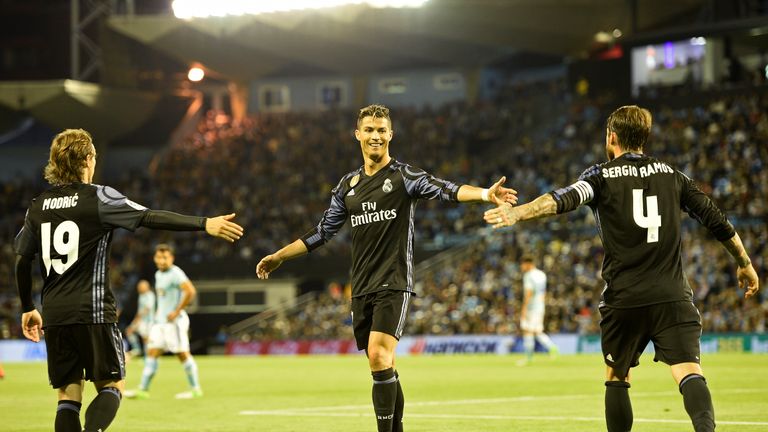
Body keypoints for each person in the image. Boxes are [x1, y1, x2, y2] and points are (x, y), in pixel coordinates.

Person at [484, 105, 759, 432]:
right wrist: (745, 263)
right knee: (688, 371)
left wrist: (518, 213)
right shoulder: (674, 177)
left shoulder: (600, 176)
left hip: (624, 298)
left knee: (617, 376)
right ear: (644, 137)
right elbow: (717, 220)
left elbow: (562, 199)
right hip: (672, 296)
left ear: (611, 136)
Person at [256, 104, 517, 432]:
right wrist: (280, 256)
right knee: (382, 364)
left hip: (394, 281)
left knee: (379, 357)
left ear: (390, 135)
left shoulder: (404, 177)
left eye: (381, 130)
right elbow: (322, 232)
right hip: (361, 287)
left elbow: (445, 189)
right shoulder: (347, 186)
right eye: (369, 130)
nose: (375, 136)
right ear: (358, 135)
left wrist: (483, 193)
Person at [14, 128, 243, 432]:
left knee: (67, 396)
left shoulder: (38, 206)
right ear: (88, 160)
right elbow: (148, 216)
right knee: (113, 385)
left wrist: (28, 306)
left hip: (55, 315)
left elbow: (21, 259)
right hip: (93, 311)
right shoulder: (99, 196)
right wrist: (204, 223)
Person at [125, 244, 203, 400]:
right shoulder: (158, 274)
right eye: (159, 257)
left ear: (171, 258)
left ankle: (195, 389)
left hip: (174, 323)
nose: (161, 261)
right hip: (160, 323)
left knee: (182, 354)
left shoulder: (176, 273)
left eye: (165, 257)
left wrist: (177, 310)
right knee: (152, 353)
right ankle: (143, 389)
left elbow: (190, 291)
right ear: (155, 258)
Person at [517, 255, 558, 366]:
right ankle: (552, 347)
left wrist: (524, 308)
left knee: (527, 330)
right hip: (540, 306)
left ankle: (529, 357)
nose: (521, 267)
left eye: (522, 264)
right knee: (536, 331)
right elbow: (543, 293)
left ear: (528, 264)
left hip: (531, 307)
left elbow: (529, 293)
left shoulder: (529, 276)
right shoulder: (541, 274)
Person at [125, 279, 155, 359]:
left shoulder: (150, 295)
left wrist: (138, 319)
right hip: (140, 320)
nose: (139, 288)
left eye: (141, 287)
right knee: (129, 331)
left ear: (147, 287)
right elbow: (140, 310)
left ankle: (147, 357)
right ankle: (137, 349)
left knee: (146, 339)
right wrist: (136, 320)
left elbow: (147, 309)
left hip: (148, 321)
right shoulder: (141, 296)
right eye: (139, 287)